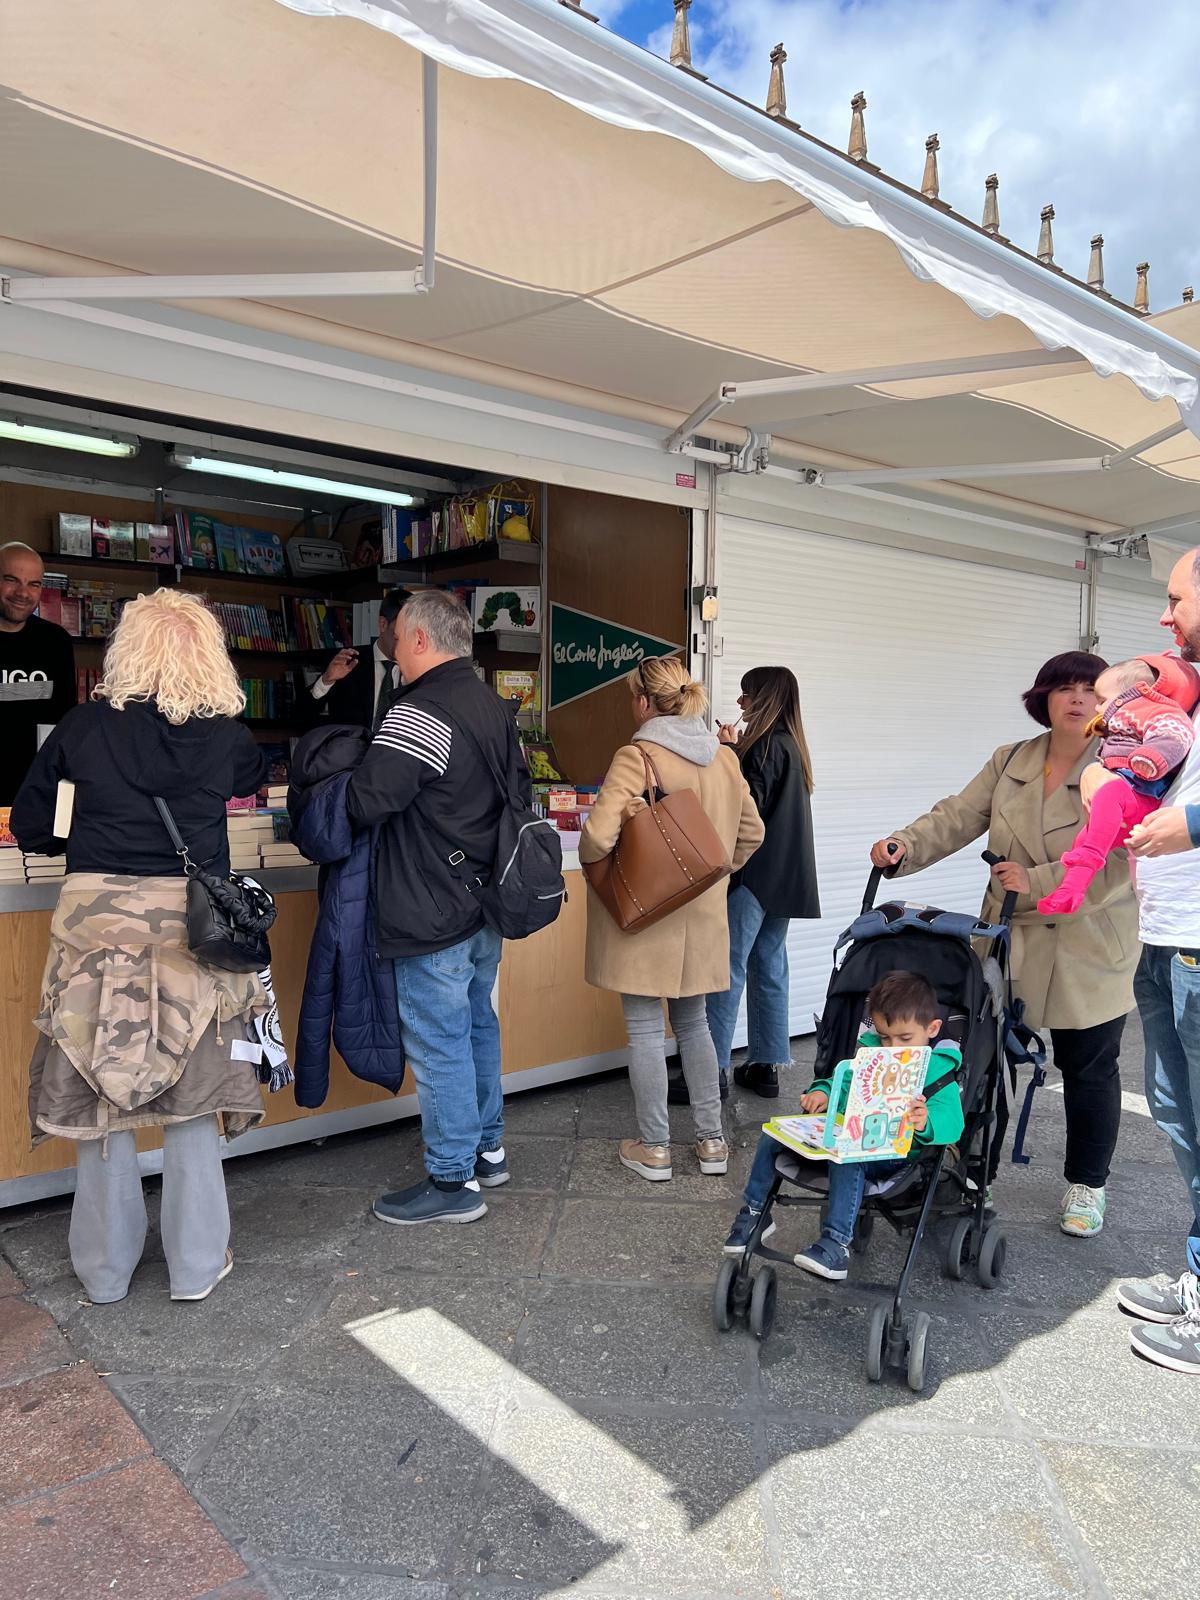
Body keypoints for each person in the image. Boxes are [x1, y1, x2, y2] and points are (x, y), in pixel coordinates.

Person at [10, 590, 270, 1304]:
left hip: (95, 936)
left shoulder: (82, 728)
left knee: (101, 1095)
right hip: (193, 936)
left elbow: (35, 828)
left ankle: (103, 1272)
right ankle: (193, 1268)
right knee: (192, 1097)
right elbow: (248, 786)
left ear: (127, 652)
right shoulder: (226, 736)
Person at [869, 650, 1136, 1240]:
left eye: (1089, 689)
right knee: (980, 1060)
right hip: (1008, 938)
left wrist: (1035, 882)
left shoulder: (1124, 768)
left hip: (1087, 943)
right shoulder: (1012, 759)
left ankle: (1088, 1185)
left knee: (1089, 1067)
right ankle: (971, 1170)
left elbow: (1117, 859)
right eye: (1062, 688)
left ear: (1109, 702)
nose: (1076, 699)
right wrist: (904, 846)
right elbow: (959, 815)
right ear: (1042, 698)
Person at [345, 588, 525, 1226]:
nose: (389, 641)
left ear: (419, 638)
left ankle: (451, 1181)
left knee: (441, 1038)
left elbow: (368, 800)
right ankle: (487, 1149)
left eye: (396, 634)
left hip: (429, 903)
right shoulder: (491, 705)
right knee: (477, 1023)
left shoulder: (418, 710)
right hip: (482, 902)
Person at [577, 657, 764, 1183]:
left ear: (643, 702)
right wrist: (712, 874)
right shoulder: (724, 759)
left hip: (646, 911)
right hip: (703, 916)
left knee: (643, 1029)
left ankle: (655, 1148)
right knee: (696, 1025)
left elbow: (595, 836)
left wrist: (603, 870)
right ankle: (712, 1144)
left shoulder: (637, 756)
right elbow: (753, 834)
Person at [724, 970, 963, 1280]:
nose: (892, 1048)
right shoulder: (869, 1053)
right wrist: (822, 1092)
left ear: (931, 1029)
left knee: (849, 1155)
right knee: (774, 1134)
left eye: (905, 1039)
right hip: (846, 1134)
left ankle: (837, 1243)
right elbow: (841, 1082)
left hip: (895, 1152)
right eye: (884, 1037)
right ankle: (755, 1212)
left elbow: (953, 1122)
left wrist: (926, 1121)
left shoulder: (937, 1071)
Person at [1111, 548, 1200, 1373]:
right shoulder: (1192, 681)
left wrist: (1194, 825)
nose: (1164, 614)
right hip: (1167, 932)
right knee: (1178, 1114)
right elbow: (1156, 664)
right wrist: (1137, 670)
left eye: (1175, 598)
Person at [702, 664, 819, 1102]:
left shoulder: (764, 747)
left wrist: (728, 753)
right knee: (770, 965)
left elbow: (743, 804)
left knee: (727, 966)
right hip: (789, 878)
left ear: (763, 698)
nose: (738, 702)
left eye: (746, 694)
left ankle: (710, 1068)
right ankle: (766, 1064)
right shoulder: (793, 746)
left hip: (754, 875)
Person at [1038, 653, 1198, 915]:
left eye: (1101, 699)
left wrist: (1152, 757)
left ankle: (1086, 861)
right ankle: (1070, 890)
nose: (1096, 708)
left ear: (1133, 694)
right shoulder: (1116, 724)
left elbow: (1173, 736)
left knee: (1108, 800)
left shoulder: (1157, 710)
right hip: (1127, 799)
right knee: (1085, 837)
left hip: (1141, 792)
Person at [0, 541, 76, 804]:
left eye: (34, 584)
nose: (23, 593)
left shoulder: (56, 642)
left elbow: (65, 719)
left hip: (37, 790)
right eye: (11, 580)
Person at [307, 586, 411, 728]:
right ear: (383, 624)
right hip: (351, 748)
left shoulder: (417, 671)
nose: (407, 640)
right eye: (400, 631)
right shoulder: (347, 662)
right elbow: (302, 715)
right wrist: (326, 680)